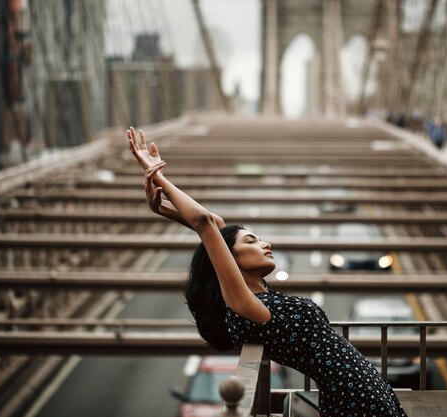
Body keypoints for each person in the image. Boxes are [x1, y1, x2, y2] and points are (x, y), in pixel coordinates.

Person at [126, 127, 408, 417]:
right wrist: (158, 175)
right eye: (252, 241)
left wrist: (163, 209)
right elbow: (206, 223)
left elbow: (217, 226)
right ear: (230, 260)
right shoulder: (245, 307)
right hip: (355, 400)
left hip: (365, 390)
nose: (266, 243)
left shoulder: (256, 299)